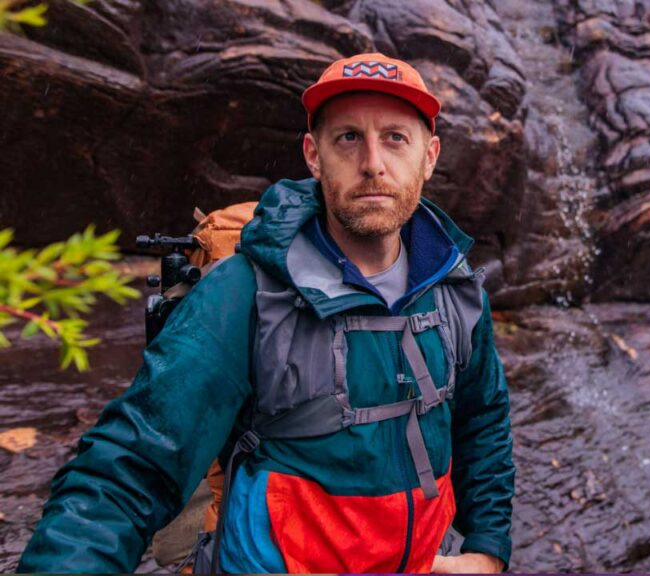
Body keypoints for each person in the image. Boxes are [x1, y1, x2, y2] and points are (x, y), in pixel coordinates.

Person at [16, 53, 515, 574]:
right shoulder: (246, 292)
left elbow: (482, 419)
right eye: (348, 137)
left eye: (395, 137)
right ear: (313, 155)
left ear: (429, 156)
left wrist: (487, 550)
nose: (372, 162)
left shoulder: (455, 290)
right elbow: (130, 467)